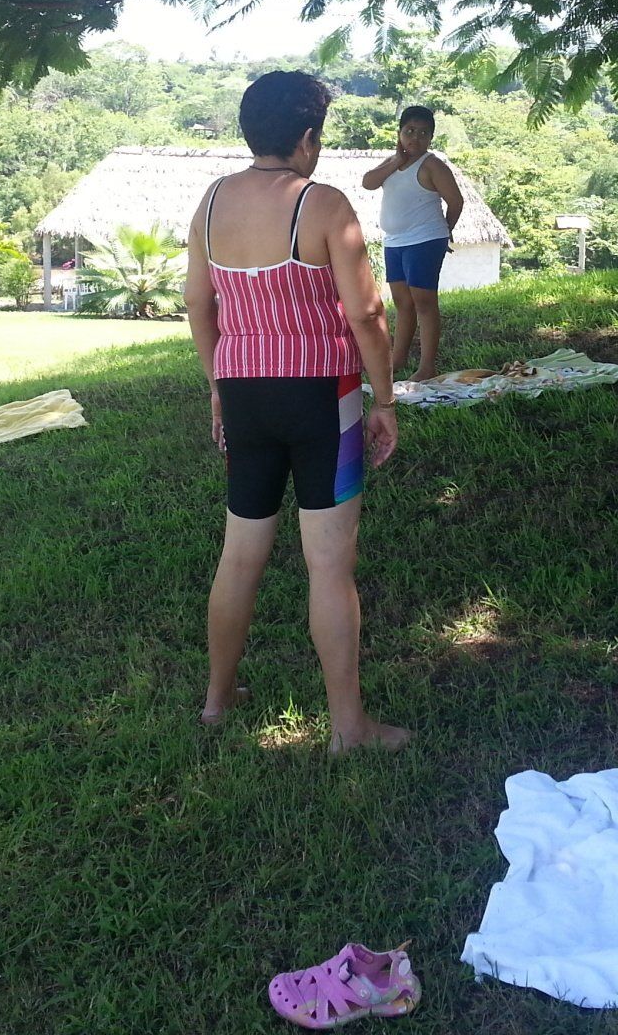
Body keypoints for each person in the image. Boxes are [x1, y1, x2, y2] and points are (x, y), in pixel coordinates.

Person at [185, 69, 409, 754]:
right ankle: (349, 728)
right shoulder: (324, 205)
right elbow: (366, 314)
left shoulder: (212, 203)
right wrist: (385, 399)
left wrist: (218, 386)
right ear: (308, 137)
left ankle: (217, 702)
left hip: (244, 393)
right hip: (323, 397)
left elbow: (198, 303)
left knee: (239, 555)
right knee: (329, 566)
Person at [362, 105, 464, 382]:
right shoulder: (392, 162)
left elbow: (456, 201)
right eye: (409, 131)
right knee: (402, 302)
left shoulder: (432, 165)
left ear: (431, 137)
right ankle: (397, 359)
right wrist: (396, 160)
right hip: (394, 242)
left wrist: (445, 231)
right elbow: (368, 182)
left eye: (423, 133)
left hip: (425, 239)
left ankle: (427, 366)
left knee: (424, 302)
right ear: (399, 133)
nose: (415, 138)